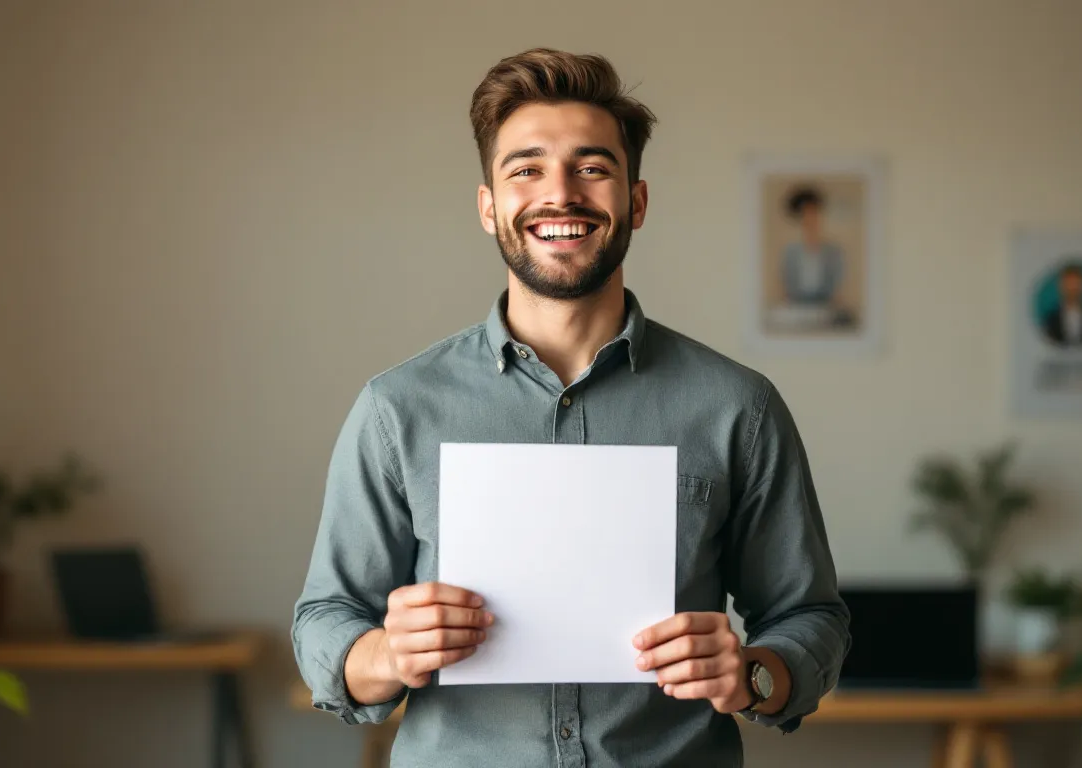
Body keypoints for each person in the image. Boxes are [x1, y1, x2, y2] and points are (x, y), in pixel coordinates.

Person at [292, 47, 850, 767]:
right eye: (526, 169)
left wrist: (752, 674)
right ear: (490, 207)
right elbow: (323, 625)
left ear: (635, 202)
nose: (561, 194)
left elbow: (812, 619)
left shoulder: (738, 407)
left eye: (592, 167)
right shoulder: (396, 409)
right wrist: (386, 653)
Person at [780, 186, 845, 307]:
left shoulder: (833, 251)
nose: (810, 219)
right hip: (797, 305)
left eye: (813, 214)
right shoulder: (790, 251)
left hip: (825, 305)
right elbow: (786, 283)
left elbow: (837, 286)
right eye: (805, 215)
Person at [1041, 261, 1082, 347]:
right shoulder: (1049, 319)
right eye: (1069, 284)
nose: (1073, 289)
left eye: (1077, 284)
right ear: (1061, 287)